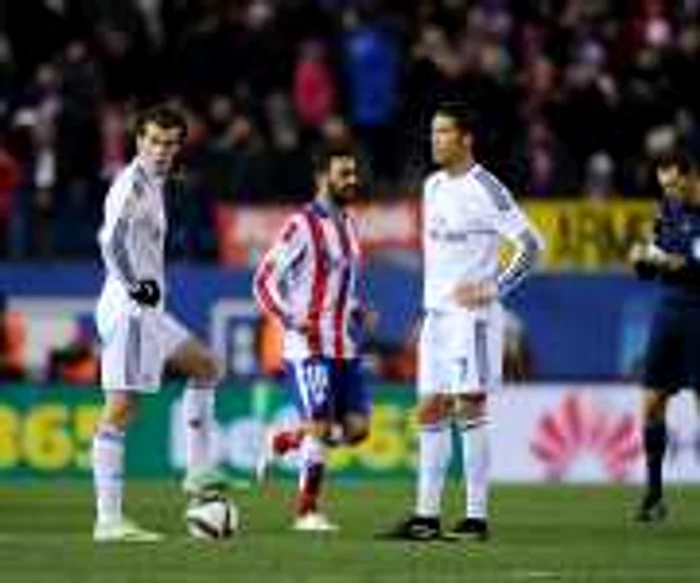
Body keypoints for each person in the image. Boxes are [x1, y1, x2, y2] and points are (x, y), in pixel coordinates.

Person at [385, 102, 544, 541]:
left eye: (443, 133)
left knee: (469, 407)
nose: (434, 140)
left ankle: (476, 519)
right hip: (436, 318)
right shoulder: (432, 185)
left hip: (471, 319)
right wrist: (426, 311)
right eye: (432, 132)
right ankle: (425, 518)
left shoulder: (487, 189)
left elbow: (532, 246)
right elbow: (439, 260)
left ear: (465, 138)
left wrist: (492, 288)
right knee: (430, 410)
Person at [92, 105, 226, 542]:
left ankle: (196, 472)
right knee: (122, 408)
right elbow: (110, 239)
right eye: (154, 141)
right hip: (131, 307)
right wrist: (135, 284)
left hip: (147, 309)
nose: (162, 150)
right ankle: (108, 520)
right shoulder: (132, 183)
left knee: (206, 366)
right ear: (138, 142)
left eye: (170, 143)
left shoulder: (156, 183)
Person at [252, 144, 372, 532]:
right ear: (322, 177)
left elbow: (343, 287)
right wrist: (290, 318)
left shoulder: (350, 225)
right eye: (344, 174)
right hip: (309, 347)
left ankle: (284, 441)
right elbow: (263, 281)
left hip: (343, 345)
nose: (352, 181)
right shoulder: (300, 225)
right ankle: (306, 512)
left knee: (356, 430)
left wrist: (357, 310)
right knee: (321, 424)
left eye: (354, 173)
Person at [629, 151, 700, 522]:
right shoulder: (667, 210)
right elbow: (653, 269)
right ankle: (654, 496)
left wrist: (664, 261)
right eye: (664, 186)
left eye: (675, 184)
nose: (670, 192)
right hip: (669, 312)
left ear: (692, 177)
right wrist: (641, 261)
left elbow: (690, 265)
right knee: (652, 402)